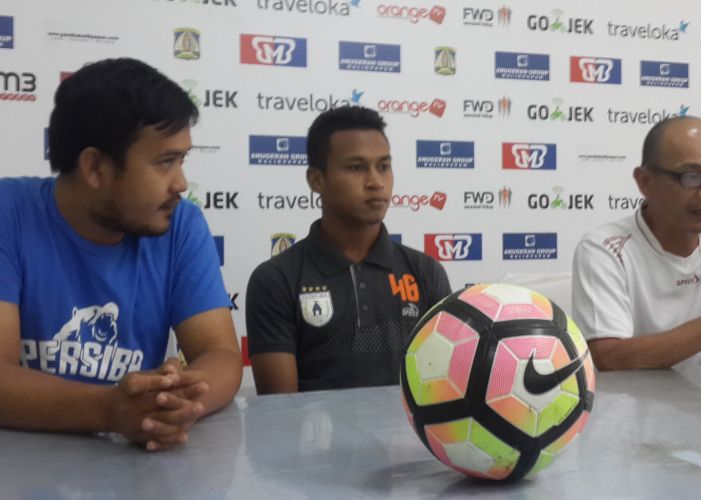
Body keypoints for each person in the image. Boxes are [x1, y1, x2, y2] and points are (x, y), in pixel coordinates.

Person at [0, 58, 243, 450]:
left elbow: (221, 355)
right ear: (95, 167)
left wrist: (173, 404)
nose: (181, 183)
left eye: (182, 160)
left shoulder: (181, 223)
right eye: (165, 161)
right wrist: (110, 411)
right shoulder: (7, 213)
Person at [245, 105, 452, 393]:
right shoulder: (275, 280)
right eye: (356, 167)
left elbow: (445, 389)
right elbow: (281, 413)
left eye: (383, 166)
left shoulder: (425, 272)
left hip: (409, 439)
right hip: (312, 440)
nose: (376, 182)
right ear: (316, 180)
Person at [572, 116, 701, 370]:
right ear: (645, 181)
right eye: (692, 177)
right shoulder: (605, 249)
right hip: (638, 406)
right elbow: (609, 358)